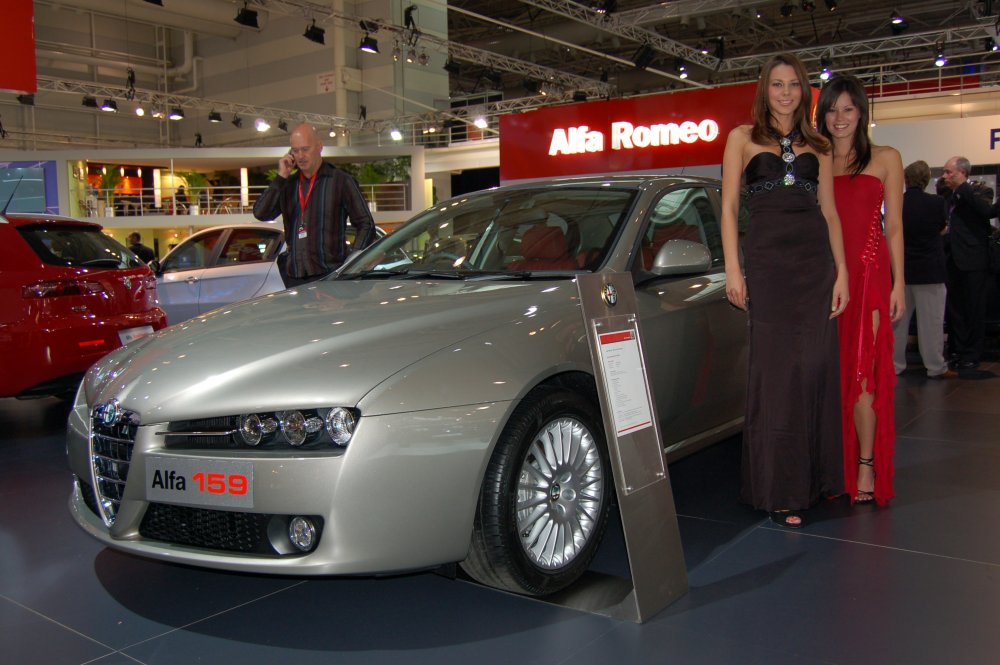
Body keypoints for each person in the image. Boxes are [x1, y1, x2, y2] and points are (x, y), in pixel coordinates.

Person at [721, 53, 849, 528]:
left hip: (814, 266)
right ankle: (781, 490)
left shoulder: (820, 144)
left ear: (805, 90)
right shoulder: (741, 138)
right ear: (764, 90)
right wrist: (734, 269)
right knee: (776, 378)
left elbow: (831, 213)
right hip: (768, 267)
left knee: (814, 370)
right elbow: (730, 208)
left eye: (793, 84)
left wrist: (842, 273)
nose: (785, 92)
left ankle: (813, 481)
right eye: (777, 84)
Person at [817, 75, 904, 507]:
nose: (839, 118)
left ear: (861, 113)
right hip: (825, 278)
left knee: (862, 374)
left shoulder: (887, 158)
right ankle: (836, 464)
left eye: (848, 109)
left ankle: (865, 463)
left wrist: (899, 282)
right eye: (832, 109)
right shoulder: (814, 159)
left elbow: (895, 226)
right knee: (830, 377)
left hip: (870, 279)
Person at [253, 123, 376, 287]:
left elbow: (366, 224)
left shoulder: (340, 181)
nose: (300, 156)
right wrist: (281, 176)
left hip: (330, 277)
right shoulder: (287, 185)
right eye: (295, 151)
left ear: (319, 147)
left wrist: (352, 262)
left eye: (305, 149)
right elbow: (261, 213)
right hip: (294, 277)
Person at [893, 160, 954, 380]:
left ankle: (894, 364)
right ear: (927, 180)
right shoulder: (936, 202)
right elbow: (941, 228)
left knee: (898, 323)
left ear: (906, 179)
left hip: (903, 270)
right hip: (930, 270)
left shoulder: (897, 203)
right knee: (932, 323)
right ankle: (935, 366)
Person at [941, 156, 994, 378]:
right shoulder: (948, 196)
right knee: (955, 309)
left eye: (949, 172)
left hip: (973, 261)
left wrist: (963, 188)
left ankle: (972, 354)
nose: (945, 177)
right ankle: (957, 350)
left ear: (962, 173)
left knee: (974, 308)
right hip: (953, 260)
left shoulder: (977, 192)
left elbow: (986, 212)